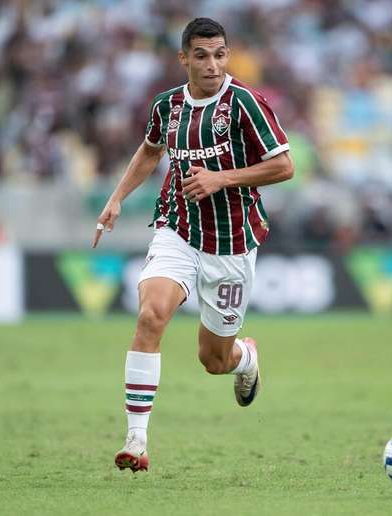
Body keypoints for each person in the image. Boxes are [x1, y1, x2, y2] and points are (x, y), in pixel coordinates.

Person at [92, 18, 293, 471]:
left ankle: (246, 358)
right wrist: (116, 198)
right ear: (184, 59)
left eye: (220, 54)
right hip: (177, 231)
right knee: (150, 315)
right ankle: (136, 442)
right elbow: (149, 150)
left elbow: (284, 167)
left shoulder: (246, 102)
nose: (212, 64)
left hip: (232, 244)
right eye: (201, 55)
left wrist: (221, 178)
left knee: (214, 360)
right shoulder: (167, 106)